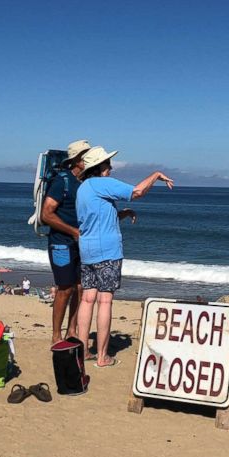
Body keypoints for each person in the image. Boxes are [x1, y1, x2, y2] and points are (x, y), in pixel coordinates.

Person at [75, 146, 174, 367]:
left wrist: (121, 213)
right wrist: (156, 175)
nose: (110, 167)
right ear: (99, 167)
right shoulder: (103, 184)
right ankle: (102, 356)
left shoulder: (83, 188)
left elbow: (95, 219)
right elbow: (137, 192)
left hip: (87, 250)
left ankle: (82, 352)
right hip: (107, 252)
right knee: (105, 300)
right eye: (107, 164)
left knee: (87, 299)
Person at [40, 139, 91, 344]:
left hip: (80, 243)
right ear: (77, 160)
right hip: (61, 243)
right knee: (65, 288)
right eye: (86, 156)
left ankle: (72, 331)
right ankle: (56, 336)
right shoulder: (62, 181)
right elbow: (47, 214)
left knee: (80, 288)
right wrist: (73, 231)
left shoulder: (85, 182)